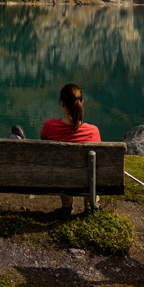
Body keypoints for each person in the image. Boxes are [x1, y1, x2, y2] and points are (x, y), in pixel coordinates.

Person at [40, 83, 101, 215]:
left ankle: (67, 207)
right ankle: (91, 206)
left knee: (63, 168)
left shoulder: (48, 126)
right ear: (82, 102)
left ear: (62, 103)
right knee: (90, 169)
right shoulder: (93, 131)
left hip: (60, 179)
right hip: (86, 181)